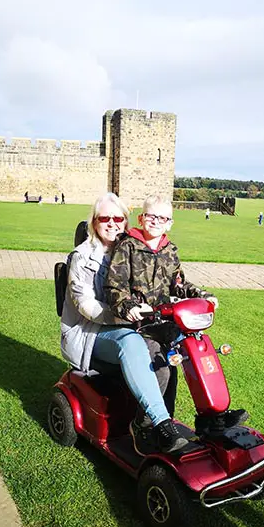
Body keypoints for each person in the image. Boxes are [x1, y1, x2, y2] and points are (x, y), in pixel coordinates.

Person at [105, 194, 248, 453]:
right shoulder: (127, 246)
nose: (156, 221)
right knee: (161, 369)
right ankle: (145, 426)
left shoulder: (170, 250)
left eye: (163, 218)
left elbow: (179, 285)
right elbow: (114, 286)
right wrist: (128, 306)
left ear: (169, 223)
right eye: (151, 216)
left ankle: (210, 418)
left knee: (198, 356)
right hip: (141, 325)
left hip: (168, 322)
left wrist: (203, 296)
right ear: (141, 218)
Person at [60, 192, 187, 455]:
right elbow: (87, 307)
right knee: (131, 341)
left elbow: (166, 283)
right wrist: (127, 313)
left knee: (169, 359)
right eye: (104, 218)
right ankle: (157, 424)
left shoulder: (130, 250)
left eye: (118, 218)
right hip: (90, 333)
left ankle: (168, 421)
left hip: (131, 326)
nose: (111, 223)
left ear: (126, 221)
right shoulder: (81, 257)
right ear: (94, 222)